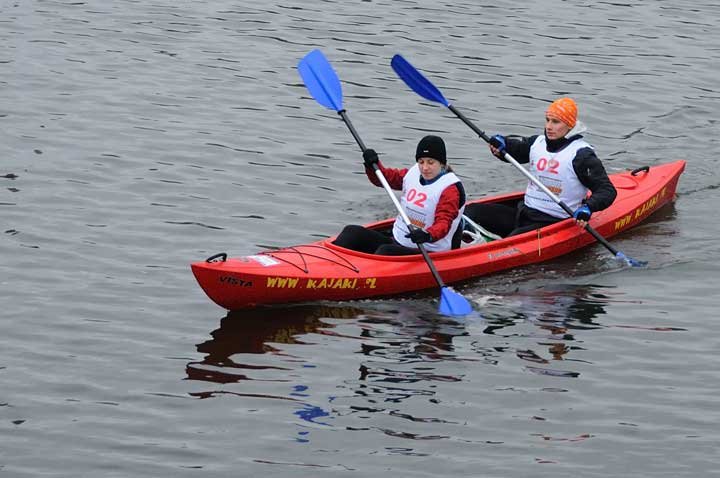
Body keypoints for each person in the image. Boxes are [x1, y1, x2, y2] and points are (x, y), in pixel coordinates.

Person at [464, 97, 617, 237]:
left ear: (570, 125)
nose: (549, 127)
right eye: (547, 120)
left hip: (552, 222)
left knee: (513, 239)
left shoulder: (582, 155)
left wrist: (588, 208)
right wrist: (501, 143)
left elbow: (607, 191)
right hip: (524, 213)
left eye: (556, 122)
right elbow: (515, 149)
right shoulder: (537, 143)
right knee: (471, 212)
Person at [332, 135, 466, 255]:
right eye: (421, 162)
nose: (425, 168)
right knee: (352, 232)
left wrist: (427, 235)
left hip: (427, 249)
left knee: (384, 252)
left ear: (441, 163)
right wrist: (372, 165)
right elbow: (384, 179)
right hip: (398, 239)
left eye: (431, 162)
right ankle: (328, 267)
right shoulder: (413, 174)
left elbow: (444, 223)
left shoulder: (450, 189)